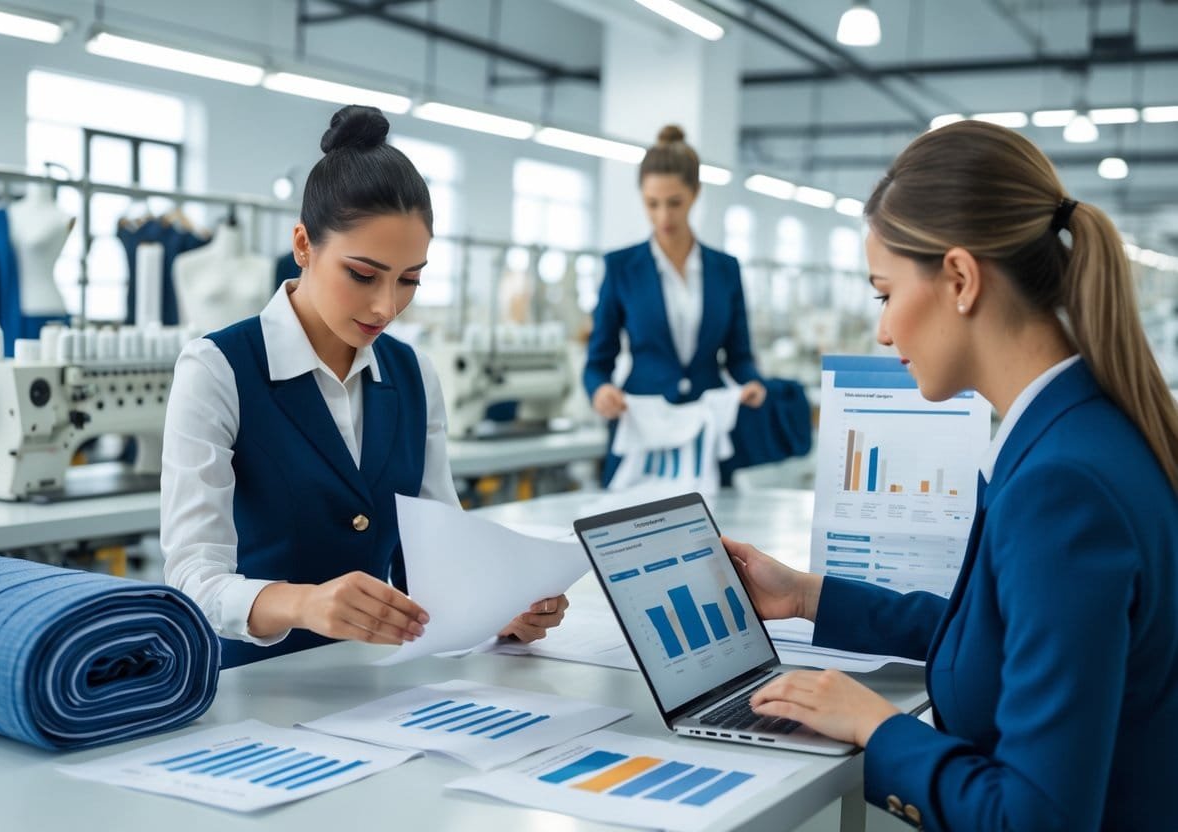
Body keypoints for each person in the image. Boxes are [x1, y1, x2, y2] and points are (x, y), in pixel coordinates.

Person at [725, 120, 1178, 831]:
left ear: (960, 280)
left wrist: (878, 729)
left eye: (883, 292)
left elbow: (1035, 820)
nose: (881, 330)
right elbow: (1017, 636)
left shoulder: (1061, 488)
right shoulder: (1085, 430)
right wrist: (809, 596)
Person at [161, 105, 567, 669]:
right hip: (248, 683)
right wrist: (302, 602)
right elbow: (191, 578)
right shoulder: (218, 368)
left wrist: (496, 609)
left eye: (410, 280)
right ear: (304, 245)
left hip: (375, 682)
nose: (386, 306)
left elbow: (437, 551)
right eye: (363, 274)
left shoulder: (413, 374)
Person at [583, 125, 808, 487]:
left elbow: (739, 354)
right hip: (642, 427)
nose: (663, 217)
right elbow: (597, 363)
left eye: (675, 203)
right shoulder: (621, 267)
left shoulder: (725, 269)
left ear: (695, 194)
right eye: (652, 204)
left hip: (709, 426)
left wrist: (752, 383)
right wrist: (600, 391)